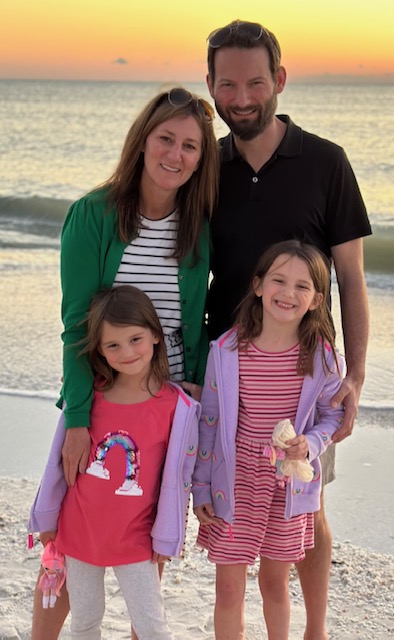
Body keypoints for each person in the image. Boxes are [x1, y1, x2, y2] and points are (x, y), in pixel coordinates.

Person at [30, 87, 219, 639]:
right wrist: (81, 419)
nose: (176, 154)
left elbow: (198, 320)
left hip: (167, 405)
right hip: (102, 397)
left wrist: (199, 389)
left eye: (190, 145)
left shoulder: (197, 224)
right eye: (166, 138)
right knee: (71, 535)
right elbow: (76, 327)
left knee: (149, 532)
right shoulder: (92, 215)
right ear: (143, 141)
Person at [204, 20, 372, 639]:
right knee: (221, 512)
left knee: (309, 508)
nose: (241, 98)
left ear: (278, 79)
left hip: (302, 377)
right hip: (223, 374)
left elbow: (351, 278)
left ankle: (315, 630)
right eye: (227, 85)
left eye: (254, 82)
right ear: (211, 85)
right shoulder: (205, 166)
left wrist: (352, 376)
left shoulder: (326, 162)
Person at [29, 285, 201, 639]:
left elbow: (181, 477)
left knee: (152, 626)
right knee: (86, 620)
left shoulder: (176, 406)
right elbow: (57, 468)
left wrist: (170, 533)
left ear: (155, 335)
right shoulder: (88, 398)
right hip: (78, 533)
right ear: (99, 350)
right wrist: (47, 520)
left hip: (136, 538)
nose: (126, 352)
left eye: (135, 339)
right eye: (113, 345)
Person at [193, 240, 345, 639]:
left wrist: (310, 444)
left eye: (302, 286)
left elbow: (332, 416)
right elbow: (208, 422)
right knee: (228, 588)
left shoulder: (322, 358)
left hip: (287, 483)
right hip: (234, 481)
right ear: (258, 285)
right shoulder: (226, 350)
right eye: (278, 280)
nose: (288, 293)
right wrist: (201, 487)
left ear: (316, 300)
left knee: (274, 583)